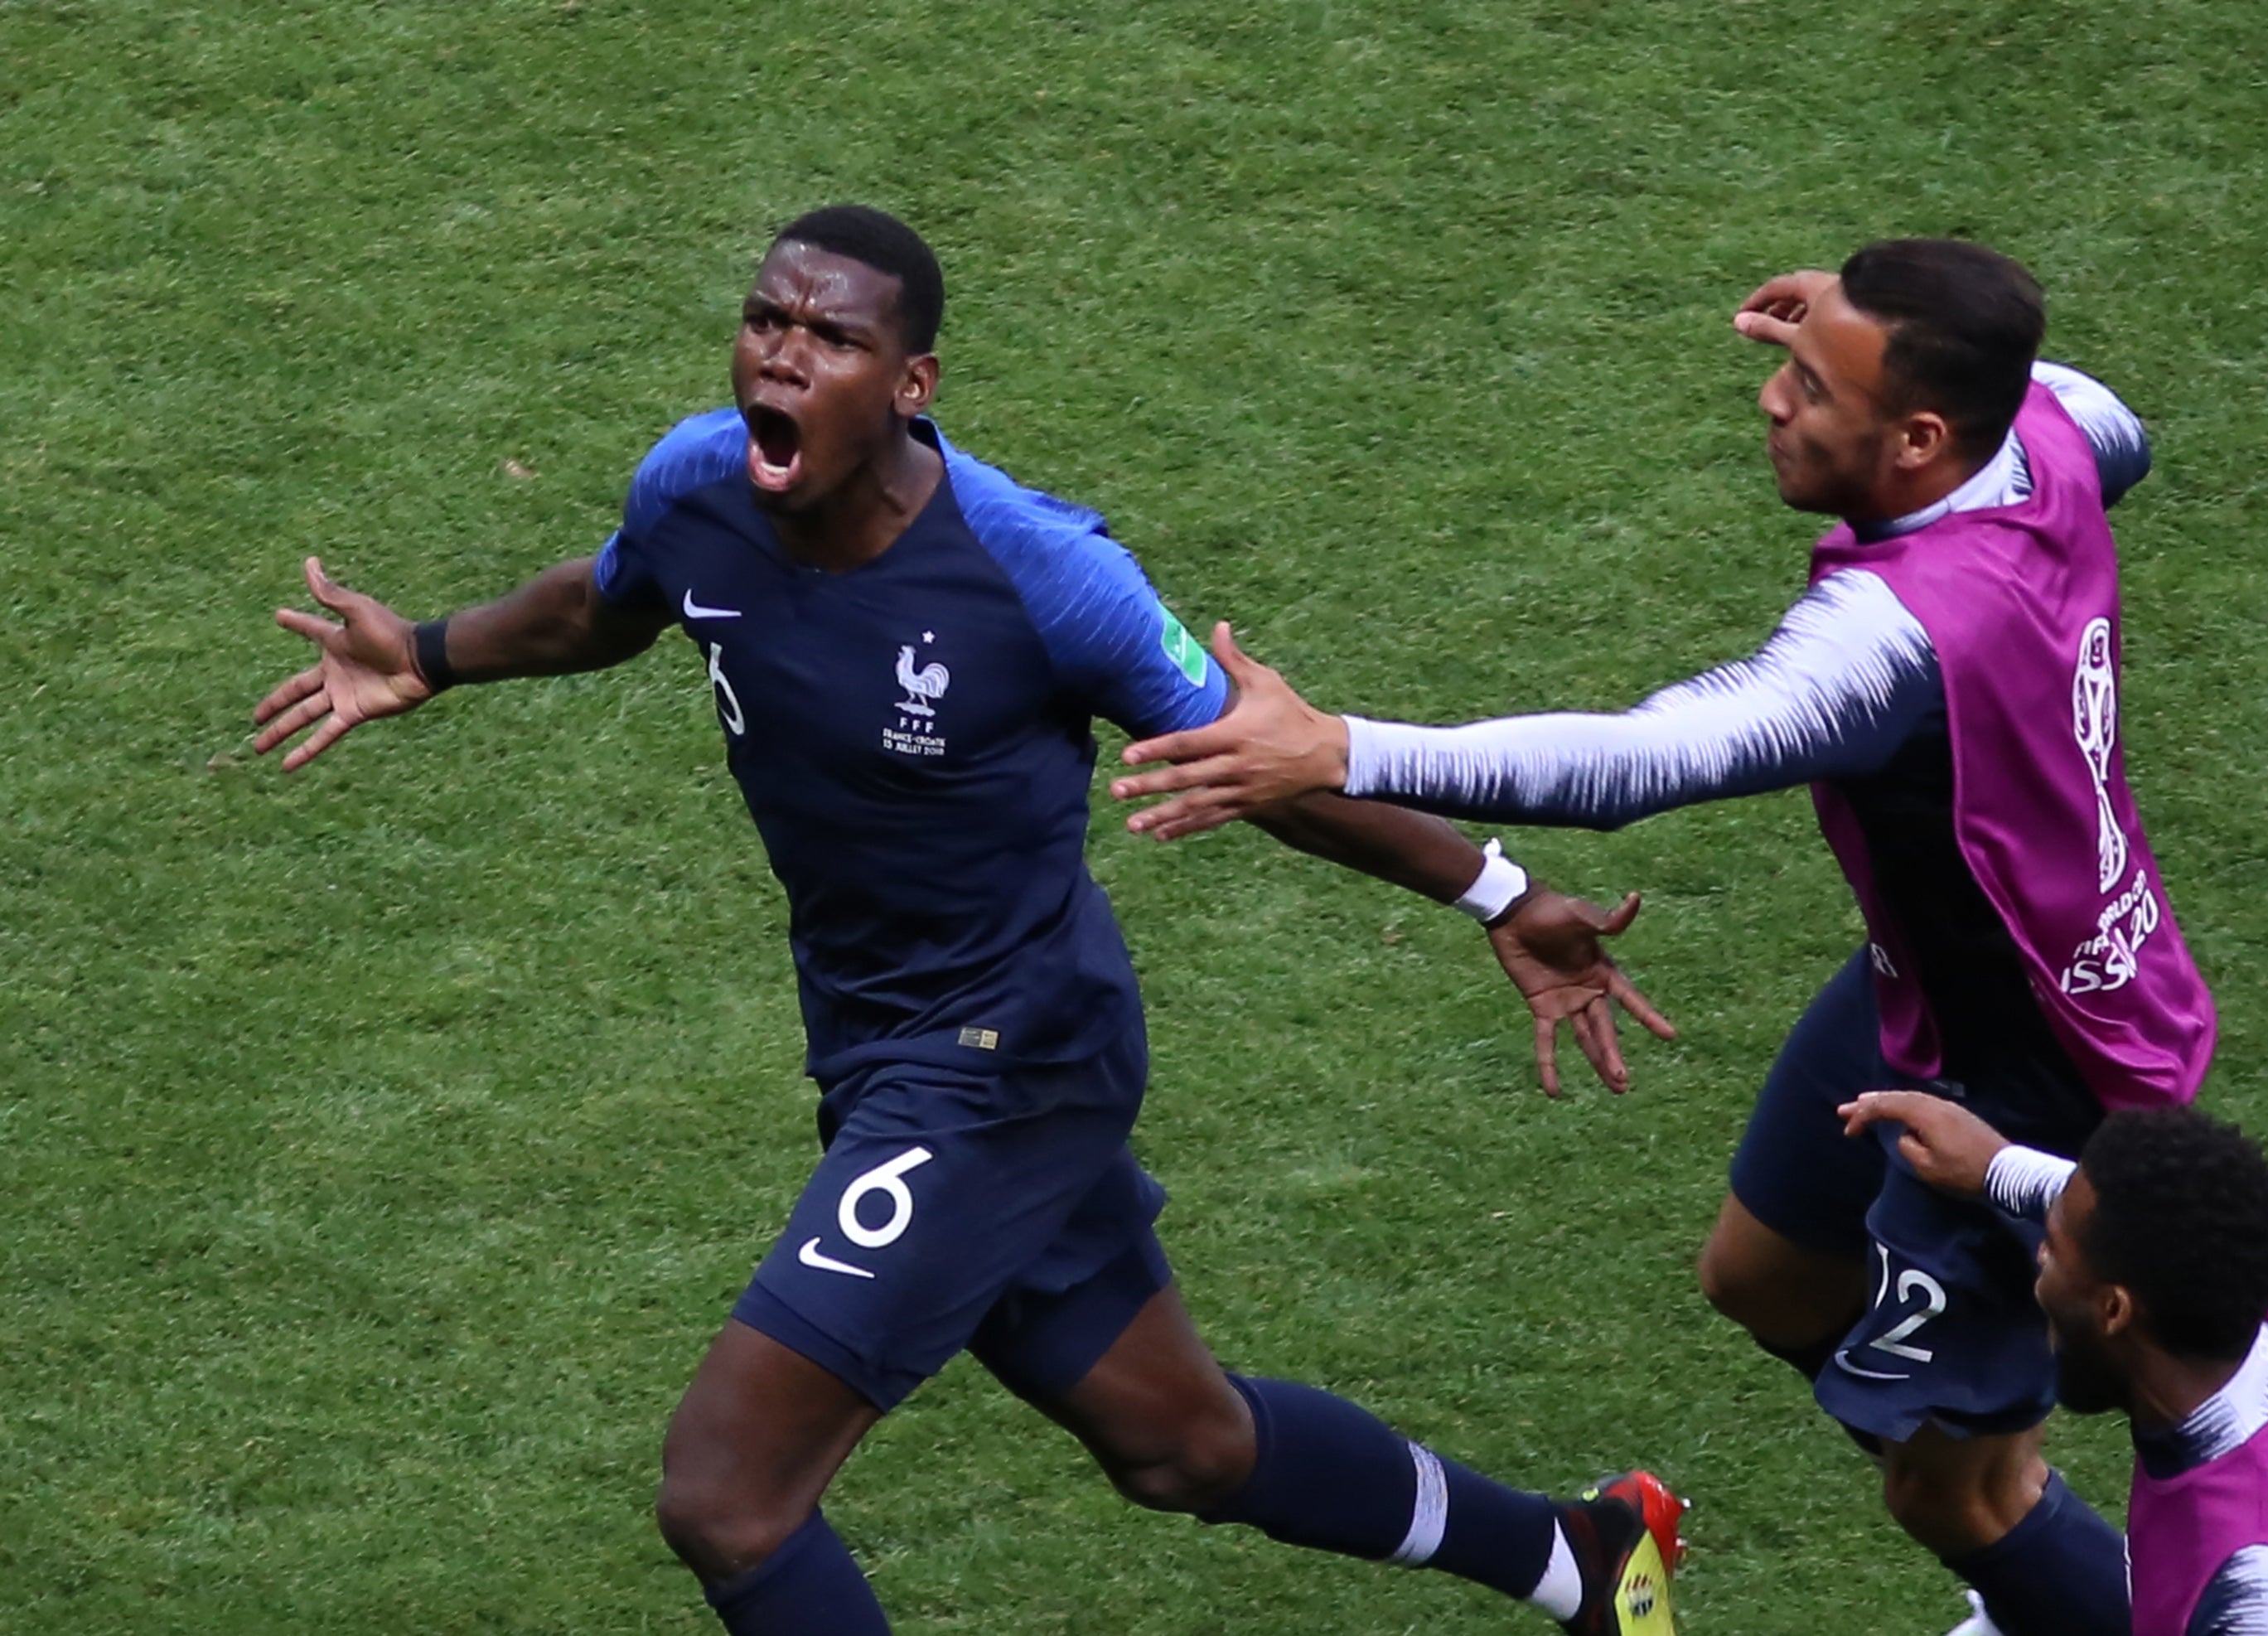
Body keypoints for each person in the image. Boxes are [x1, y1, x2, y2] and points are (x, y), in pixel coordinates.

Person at [250, 206, 1688, 1636]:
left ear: (912, 385)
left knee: (726, 1492)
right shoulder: (696, 483)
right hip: (879, 1037)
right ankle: (1586, 1553)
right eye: (768, 321)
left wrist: (1497, 889)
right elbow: (612, 601)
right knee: (1182, 1441)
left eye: (833, 337)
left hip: (1007, 1051)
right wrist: (430, 654)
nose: (785, 355)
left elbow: (1271, 758)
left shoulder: (1037, 569)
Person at [1110, 239, 2218, 1634]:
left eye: (1814, 386)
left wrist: (1341, 743)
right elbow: (2107, 422)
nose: (1772, 399)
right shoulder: (2046, 427)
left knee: (1955, 1500)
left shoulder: (1900, 632)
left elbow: (1646, 759)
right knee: (1759, 1273)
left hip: (2031, 1067)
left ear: (1922, 437)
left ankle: (2051, 1563)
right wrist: (1861, 317)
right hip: (1940, 984)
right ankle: (2000, 1486)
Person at [1840, 1091, 2268, 1636]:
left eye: (2053, 1250)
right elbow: (2136, 1222)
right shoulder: (2252, 1321)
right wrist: (1996, 1166)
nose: (2039, 1259)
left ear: (2114, 1307)